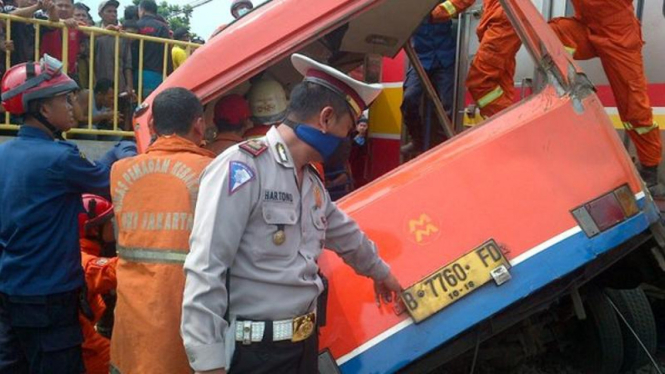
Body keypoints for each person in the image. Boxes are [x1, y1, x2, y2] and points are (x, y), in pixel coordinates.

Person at [181, 53, 401, 374]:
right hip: (257, 354)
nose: (349, 140)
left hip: (303, 348)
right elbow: (206, 267)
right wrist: (208, 362)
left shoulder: (309, 181)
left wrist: (382, 273)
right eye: (348, 128)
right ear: (326, 118)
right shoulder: (242, 168)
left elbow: (346, 235)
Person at [0, 55, 134, 373]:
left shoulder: (5, 152)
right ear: (43, 109)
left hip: (9, 292)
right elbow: (108, 181)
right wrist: (125, 149)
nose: (74, 105)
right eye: (65, 98)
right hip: (50, 297)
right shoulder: (59, 159)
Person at [109, 87, 215, 374]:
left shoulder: (119, 170)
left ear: (153, 125)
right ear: (199, 124)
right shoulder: (212, 171)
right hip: (185, 322)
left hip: (131, 322)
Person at [548, 0, 664, 194]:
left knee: (634, 107)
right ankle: (569, 78)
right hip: (585, 26)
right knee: (550, 32)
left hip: (620, 33)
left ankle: (650, 170)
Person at [400, 6, 461, 155]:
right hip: (421, 60)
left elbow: (459, 6)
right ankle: (417, 141)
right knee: (409, 99)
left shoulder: (443, 5)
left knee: (447, 106)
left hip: (445, 59)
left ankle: (442, 146)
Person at [78, 194, 118, 374]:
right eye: (109, 221)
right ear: (94, 229)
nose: (113, 225)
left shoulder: (78, 248)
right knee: (117, 363)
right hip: (82, 341)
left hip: (80, 333)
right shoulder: (80, 258)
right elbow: (106, 271)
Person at [96, 0, 135, 130]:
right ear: (100, 14)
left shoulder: (122, 36)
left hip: (119, 84)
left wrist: (129, 85)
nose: (113, 14)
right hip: (98, 83)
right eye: (109, 11)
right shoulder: (93, 32)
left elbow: (127, 64)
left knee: (120, 117)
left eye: (115, 11)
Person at [135, 0, 171, 99]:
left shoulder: (135, 26)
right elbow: (166, 52)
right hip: (155, 75)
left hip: (135, 74)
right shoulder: (162, 27)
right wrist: (170, 73)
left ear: (141, 10)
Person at [40, 0, 86, 78]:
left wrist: (108, 29)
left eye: (67, 6)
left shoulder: (76, 24)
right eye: (60, 5)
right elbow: (53, 21)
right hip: (47, 71)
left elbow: (92, 32)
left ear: (73, 9)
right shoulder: (43, 20)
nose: (63, 9)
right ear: (53, 5)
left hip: (69, 73)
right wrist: (63, 21)